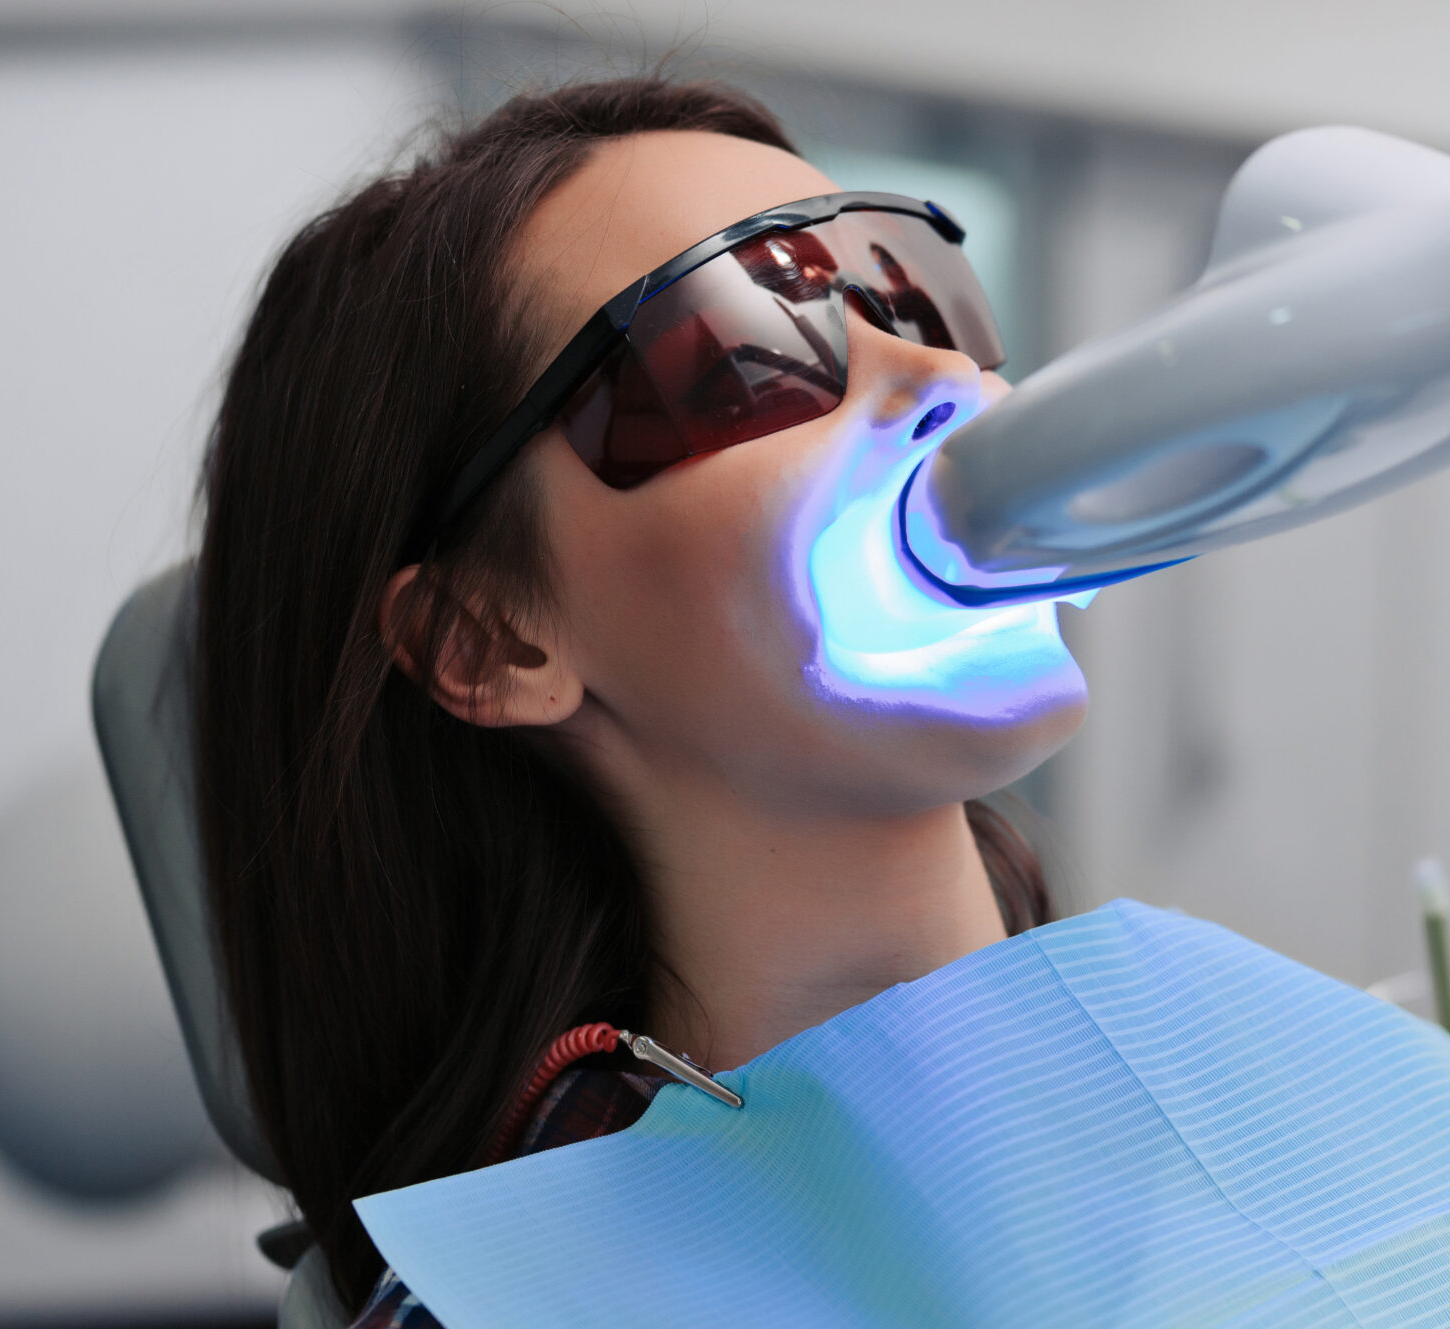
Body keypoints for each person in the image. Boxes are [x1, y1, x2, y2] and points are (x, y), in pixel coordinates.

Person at [193, 77, 1082, 1322]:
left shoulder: (1268, 1065)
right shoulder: (528, 1299)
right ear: (485, 639)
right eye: (740, 351)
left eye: (913, 291)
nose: (936, 372)